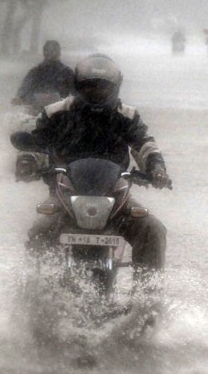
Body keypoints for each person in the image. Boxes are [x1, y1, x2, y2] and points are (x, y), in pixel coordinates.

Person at [17, 53, 171, 278]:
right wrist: (27, 161)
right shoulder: (56, 113)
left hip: (116, 197)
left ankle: (147, 296)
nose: (96, 92)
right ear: (78, 86)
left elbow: (144, 145)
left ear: (115, 88)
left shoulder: (126, 115)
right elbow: (38, 144)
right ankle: (34, 290)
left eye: (102, 87)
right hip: (64, 196)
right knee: (40, 230)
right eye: (90, 87)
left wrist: (156, 169)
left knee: (153, 230)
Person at [11, 40, 74, 109]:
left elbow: (75, 92)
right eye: (48, 52)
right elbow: (25, 87)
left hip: (61, 111)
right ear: (44, 53)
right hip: (38, 110)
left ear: (59, 53)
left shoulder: (67, 73)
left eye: (53, 52)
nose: (51, 55)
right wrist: (20, 97)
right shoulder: (35, 72)